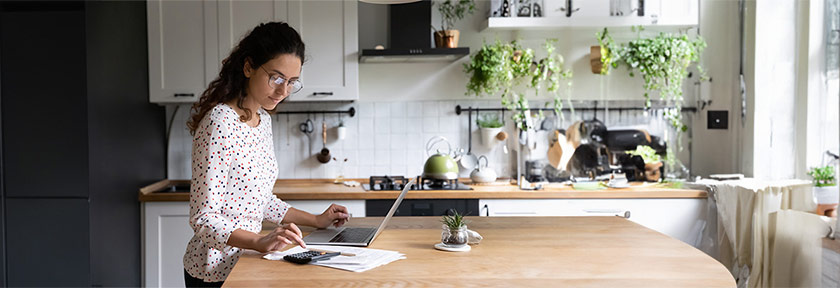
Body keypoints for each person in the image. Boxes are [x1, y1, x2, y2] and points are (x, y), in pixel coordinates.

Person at [182, 22, 350, 287]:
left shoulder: (262, 120)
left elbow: (260, 201)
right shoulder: (219, 123)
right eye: (276, 78)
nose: (283, 91)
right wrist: (259, 241)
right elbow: (204, 219)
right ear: (248, 67)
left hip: (248, 262)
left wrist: (317, 220)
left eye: (292, 82)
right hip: (214, 271)